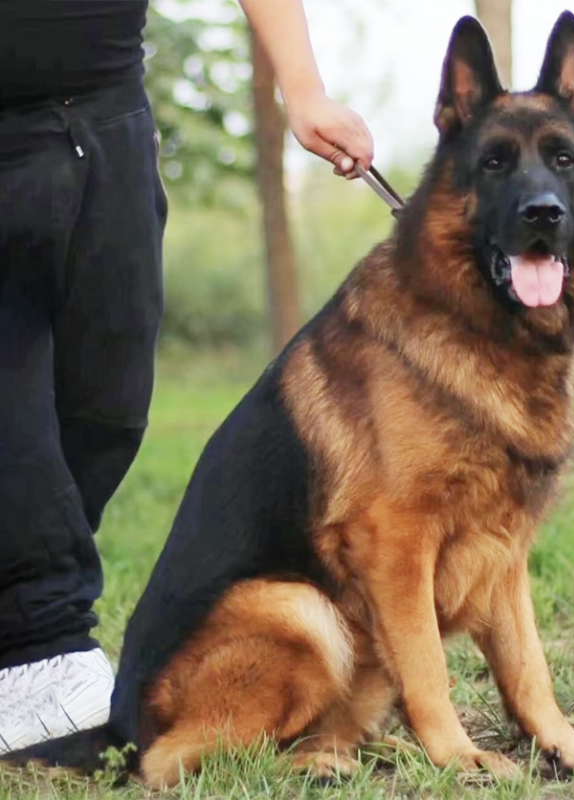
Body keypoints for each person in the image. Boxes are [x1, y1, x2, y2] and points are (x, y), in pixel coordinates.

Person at [0, 0, 373, 753]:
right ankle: (40, 650)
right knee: (13, 411)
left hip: (106, 118)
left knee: (109, 400)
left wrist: (302, 90)